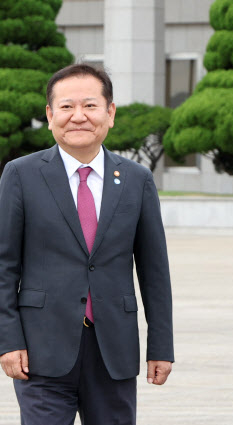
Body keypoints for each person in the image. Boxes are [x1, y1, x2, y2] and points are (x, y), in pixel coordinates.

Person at [0, 64, 174, 425]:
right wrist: (7, 339)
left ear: (110, 113)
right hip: (40, 349)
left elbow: (154, 271)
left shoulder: (136, 180)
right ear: (49, 116)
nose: (78, 116)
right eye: (66, 107)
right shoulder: (20, 175)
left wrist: (161, 346)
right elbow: (4, 266)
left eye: (90, 106)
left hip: (114, 351)